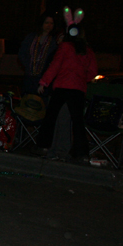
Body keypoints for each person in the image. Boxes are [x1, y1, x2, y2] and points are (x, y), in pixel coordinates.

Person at [34, 11, 97, 160]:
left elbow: (55, 66)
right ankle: (81, 152)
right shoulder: (87, 51)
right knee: (77, 122)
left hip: (62, 86)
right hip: (77, 89)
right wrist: (81, 79)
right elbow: (93, 72)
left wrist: (44, 82)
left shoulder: (65, 47)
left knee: (51, 118)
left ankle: (43, 145)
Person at [18, 12, 59, 95]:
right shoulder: (31, 37)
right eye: (47, 23)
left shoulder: (54, 41)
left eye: (51, 23)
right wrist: (28, 65)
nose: (49, 25)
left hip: (43, 78)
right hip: (29, 76)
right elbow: (22, 53)